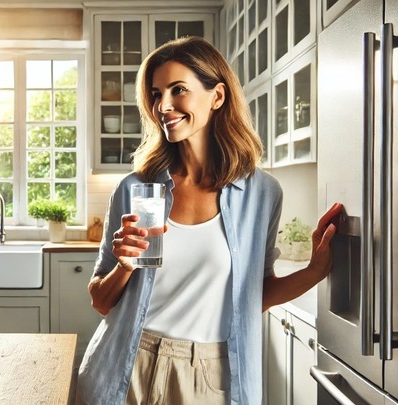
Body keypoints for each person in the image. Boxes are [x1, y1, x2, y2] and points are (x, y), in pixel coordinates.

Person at [76, 36, 343, 405]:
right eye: (155, 94)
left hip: (210, 374)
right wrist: (124, 266)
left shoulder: (262, 194)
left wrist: (314, 271)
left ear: (217, 96)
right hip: (125, 363)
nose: (163, 106)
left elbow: (253, 296)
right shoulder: (137, 187)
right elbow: (101, 302)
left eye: (178, 90)